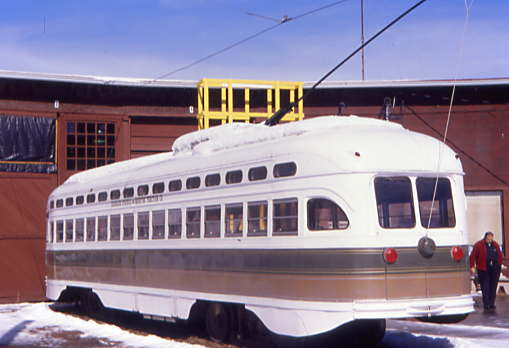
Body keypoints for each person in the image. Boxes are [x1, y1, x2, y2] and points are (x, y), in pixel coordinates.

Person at [470, 232, 503, 312]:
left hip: (494, 268)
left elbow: (499, 255)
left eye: (491, 239)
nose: (490, 240)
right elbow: (472, 256)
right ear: (485, 238)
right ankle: (486, 304)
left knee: (493, 286)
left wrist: (499, 264)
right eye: (488, 239)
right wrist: (472, 266)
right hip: (484, 268)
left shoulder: (495, 244)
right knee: (485, 286)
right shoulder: (479, 244)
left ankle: (492, 303)